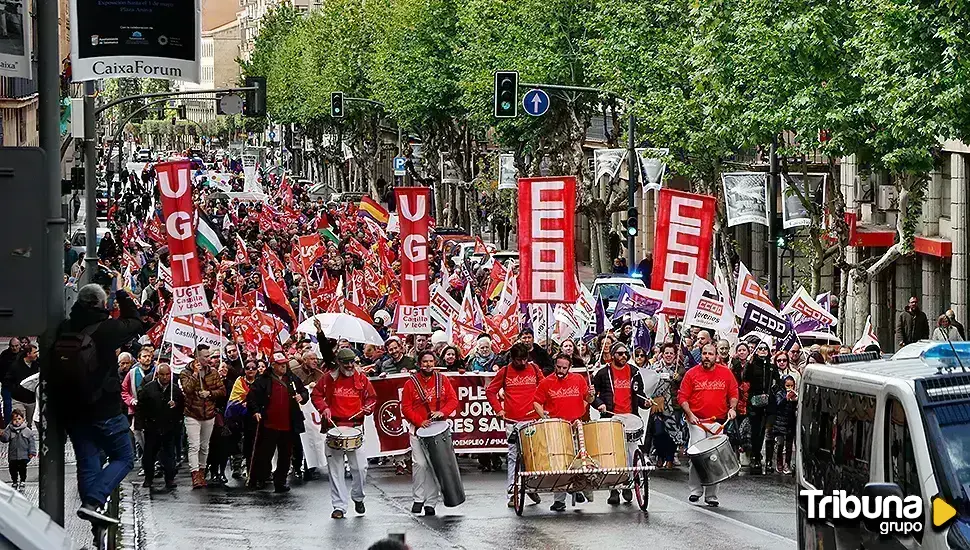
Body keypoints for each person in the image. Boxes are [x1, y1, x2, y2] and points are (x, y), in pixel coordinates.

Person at [52, 282, 143, 526]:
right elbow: (136, 321)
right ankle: (93, 501)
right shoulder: (106, 329)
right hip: (104, 409)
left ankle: (92, 513)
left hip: (72, 411)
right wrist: (122, 294)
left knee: (88, 460)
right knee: (124, 457)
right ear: (102, 304)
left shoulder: (64, 327)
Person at [310, 348, 377, 519]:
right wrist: (324, 408)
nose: (349, 365)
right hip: (335, 426)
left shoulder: (361, 378)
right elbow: (316, 394)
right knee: (335, 470)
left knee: (360, 468)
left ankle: (358, 497)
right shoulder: (328, 378)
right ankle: (339, 506)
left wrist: (368, 407)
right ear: (339, 362)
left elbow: (372, 398)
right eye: (345, 362)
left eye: (351, 362)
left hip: (355, 426)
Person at [677, 343, 739, 507]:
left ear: (716, 355)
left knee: (714, 458)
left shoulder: (725, 373)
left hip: (717, 422)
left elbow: (733, 393)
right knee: (697, 456)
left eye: (710, 354)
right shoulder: (691, 374)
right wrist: (689, 414)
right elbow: (682, 397)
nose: (706, 356)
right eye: (704, 353)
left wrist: (732, 409)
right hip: (697, 420)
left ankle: (711, 495)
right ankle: (695, 490)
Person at [534, 354, 595, 512]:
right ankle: (559, 500)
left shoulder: (579, 380)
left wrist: (591, 394)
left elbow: (588, 399)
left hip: (576, 423)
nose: (561, 370)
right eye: (558, 367)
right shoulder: (546, 383)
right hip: (557, 426)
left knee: (579, 459)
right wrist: (543, 416)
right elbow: (536, 401)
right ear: (555, 365)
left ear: (570, 367)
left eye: (564, 368)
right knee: (559, 463)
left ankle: (578, 487)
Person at [401, 351, 459, 516]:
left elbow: (453, 400)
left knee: (435, 465)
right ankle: (418, 498)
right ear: (419, 364)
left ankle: (431, 503)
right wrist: (420, 422)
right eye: (425, 362)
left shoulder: (443, 380)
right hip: (418, 430)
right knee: (420, 464)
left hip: (438, 428)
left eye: (430, 361)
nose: (428, 364)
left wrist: (443, 412)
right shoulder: (410, 383)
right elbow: (405, 407)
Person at [485, 343, 543, 507]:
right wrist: (498, 409)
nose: (523, 363)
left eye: (525, 359)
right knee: (513, 456)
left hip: (532, 419)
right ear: (512, 358)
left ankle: (531, 487)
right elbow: (490, 391)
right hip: (512, 421)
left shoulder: (534, 369)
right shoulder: (504, 372)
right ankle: (513, 492)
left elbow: (545, 387)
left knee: (534, 454)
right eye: (519, 360)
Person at [247, 352, 309, 493]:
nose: (283, 367)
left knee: (285, 455)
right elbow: (252, 397)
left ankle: (280, 482)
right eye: (280, 364)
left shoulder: (292, 379)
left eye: (284, 364)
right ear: (273, 365)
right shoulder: (263, 380)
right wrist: (256, 411)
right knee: (265, 454)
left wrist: (302, 396)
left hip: (288, 423)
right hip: (269, 423)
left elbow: (304, 392)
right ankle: (261, 479)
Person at [591, 342, 638, 505]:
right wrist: (599, 404)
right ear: (612, 355)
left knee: (631, 452)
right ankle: (613, 489)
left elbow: (640, 393)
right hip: (611, 417)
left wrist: (646, 402)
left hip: (630, 417)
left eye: (626, 353)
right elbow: (592, 395)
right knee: (612, 453)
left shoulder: (634, 371)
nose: (623, 356)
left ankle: (628, 484)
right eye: (619, 353)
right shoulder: (602, 373)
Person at [180, 348, 227, 489]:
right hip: (192, 413)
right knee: (194, 445)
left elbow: (222, 391)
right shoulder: (185, 372)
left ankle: (202, 470)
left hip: (209, 414)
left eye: (209, 356)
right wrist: (195, 374)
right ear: (197, 357)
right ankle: (195, 474)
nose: (209, 359)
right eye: (206, 356)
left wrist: (210, 393)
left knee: (204, 446)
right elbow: (187, 389)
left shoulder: (213, 372)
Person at [136, 364, 183, 490]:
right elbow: (140, 408)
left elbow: (182, 408)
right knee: (149, 455)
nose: (165, 377)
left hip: (169, 427)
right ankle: (148, 478)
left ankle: (169, 478)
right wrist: (140, 425)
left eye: (168, 375)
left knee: (169, 455)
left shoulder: (175, 390)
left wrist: (176, 406)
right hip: (152, 427)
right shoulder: (148, 389)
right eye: (162, 375)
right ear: (157, 375)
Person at [636, 342, 682, 469]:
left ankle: (670, 458)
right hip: (657, 405)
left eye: (671, 353)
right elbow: (648, 385)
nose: (668, 355)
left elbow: (684, 385)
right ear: (662, 354)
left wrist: (678, 379)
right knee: (658, 432)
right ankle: (660, 455)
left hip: (673, 406)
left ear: (675, 355)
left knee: (671, 433)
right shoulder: (654, 368)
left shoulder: (680, 368)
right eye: (666, 353)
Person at [742, 340, 777, 475]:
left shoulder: (771, 366)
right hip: (755, 401)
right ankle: (755, 456)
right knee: (756, 430)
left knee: (767, 430)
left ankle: (767, 460)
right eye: (760, 349)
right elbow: (746, 378)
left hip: (768, 402)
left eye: (765, 349)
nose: (762, 351)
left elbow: (778, 380)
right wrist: (749, 364)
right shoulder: (752, 364)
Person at [121, 346, 155, 469]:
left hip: (154, 411)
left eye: (149, 356)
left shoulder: (156, 371)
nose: (147, 358)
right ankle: (144, 464)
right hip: (137, 411)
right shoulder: (132, 373)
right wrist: (131, 400)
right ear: (139, 359)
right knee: (139, 438)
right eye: (144, 356)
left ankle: (155, 463)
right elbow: (124, 390)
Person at [0, 408, 35, 491]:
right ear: (12, 420)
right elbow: (5, 439)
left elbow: (31, 442)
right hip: (13, 455)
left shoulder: (27, 431)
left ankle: (22, 480)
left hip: (23, 455)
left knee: (22, 469)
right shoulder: (9, 430)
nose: (17, 421)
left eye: (19, 419)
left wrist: (32, 452)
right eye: (15, 419)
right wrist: (2, 435)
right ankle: (14, 481)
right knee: (12, 469)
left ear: (23, 419)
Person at [4, 343, 38, 427]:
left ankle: (26, 438)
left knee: (29, 423)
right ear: (28, 354)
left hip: (32, 400)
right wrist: (15, 389)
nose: (37, 354)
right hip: (18, 399)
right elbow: (7, 380)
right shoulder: (16, 366)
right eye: (35, 352)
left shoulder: (38, 364)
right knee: (19, 422)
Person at [770, 375, 797, 475]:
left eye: (792, 385)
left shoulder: (795, 394)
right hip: (780, 422)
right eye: (787, 385)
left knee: (789, 445)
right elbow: (778, 404)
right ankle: (779, 462)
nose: (790, 388)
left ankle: (787, 464)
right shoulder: (780, 393)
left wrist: (795, 400)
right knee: (780, 443)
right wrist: (786, 398)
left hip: (790, 422)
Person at [0, 337, 21, 424]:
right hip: (7, 384)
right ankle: (8, 423)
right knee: (7, 405)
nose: (14, 348)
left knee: (22, 405)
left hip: (20, 384)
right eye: (12, 346)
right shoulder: (4, 355)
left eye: (16, 346)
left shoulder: (22, 354)